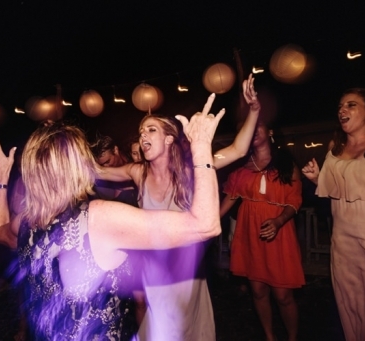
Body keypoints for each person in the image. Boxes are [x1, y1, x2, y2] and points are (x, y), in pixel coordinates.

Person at [0, 108, 224, 340]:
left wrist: (1, 181)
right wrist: (201, 146)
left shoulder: (27, 221)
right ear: (78, 168)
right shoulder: (99, 218)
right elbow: (205, 225)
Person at [95, 75, 260, 340]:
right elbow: (100, 171)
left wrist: (254, 110)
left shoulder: (189, 170)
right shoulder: (138, 173)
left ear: (170, 139)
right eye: (141, 131)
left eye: (151, 130)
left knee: (186, 330)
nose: (143, 135)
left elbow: (239, 149)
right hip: (154, 271)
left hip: (186, 273)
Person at [301, 88, 365, 341]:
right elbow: (336, 191)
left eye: (351, 105)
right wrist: (318, 179)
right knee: (350, 301)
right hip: (343, 238)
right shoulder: (334, 148)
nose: (342, 110)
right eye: (340, 106)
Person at [221, 121, 304, 341]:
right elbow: (228, 200)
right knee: (257, 291)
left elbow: (294, 200)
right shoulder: (241, 167)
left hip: (280, 231)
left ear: (270, 131)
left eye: (258, 126)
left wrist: (278, 221)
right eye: (247, 128)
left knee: (283, 295)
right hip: (250, 234)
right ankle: (269, 337)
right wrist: (203, 222)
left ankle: (292, 337)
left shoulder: (286, 163)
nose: (253, 131)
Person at [90, 135, 138, 206]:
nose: (105, 167)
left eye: (107, 161)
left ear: (115, 150)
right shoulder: (102, 183)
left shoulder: (134, 156)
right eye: (102, 165)